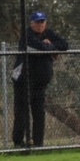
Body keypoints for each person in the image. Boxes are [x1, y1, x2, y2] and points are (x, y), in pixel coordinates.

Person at [11, 10, 68, 148]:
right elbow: (41, 47)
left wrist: (50, 45)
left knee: (39, 114)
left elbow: (64, 45)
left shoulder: (48, 33)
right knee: (22, 113)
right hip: (24, 81)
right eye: (37, 22)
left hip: (40, 83)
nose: (40, 25)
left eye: (42, 22)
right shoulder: (27, 36)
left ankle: (37, 144)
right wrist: (51, 47)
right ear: (31, 23)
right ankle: (19, 143)